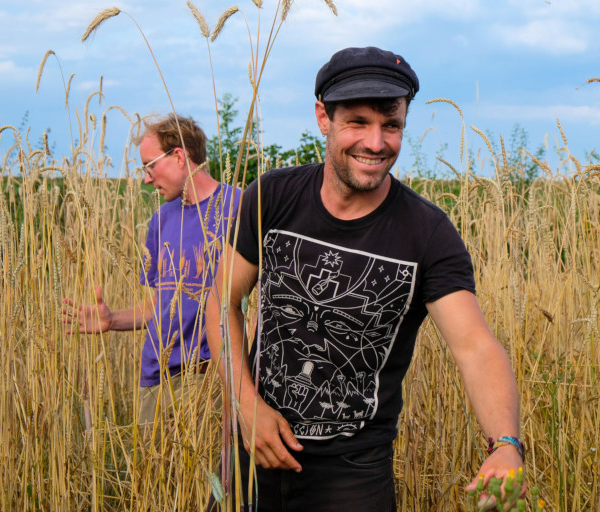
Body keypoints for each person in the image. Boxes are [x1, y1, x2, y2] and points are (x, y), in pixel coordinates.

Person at [206, 46, 523, 511]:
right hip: (249, 457)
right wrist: (245, 403)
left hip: (352, 479)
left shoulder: (427, 233)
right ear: (323, 117)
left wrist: (506, 443)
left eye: (391, 125)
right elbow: (222, 302)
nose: (376, 143)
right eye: (358, 121)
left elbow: (474, 346)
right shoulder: (271, 197)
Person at [62, 114, 241, 425]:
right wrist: (112, 319)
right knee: (155, 472)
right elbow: (160, 305)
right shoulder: (160, 220)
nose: (146, 178)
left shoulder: (240, 208)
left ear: (179, 156)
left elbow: (257, 307)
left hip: (210, 380)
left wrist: (232, 375)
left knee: (209, 475)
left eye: (149, 165)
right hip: (155, 379)